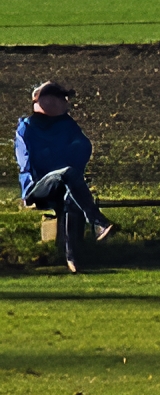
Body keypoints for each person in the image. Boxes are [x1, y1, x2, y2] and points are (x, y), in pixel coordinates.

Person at [16, 82, 111, 270]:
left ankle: (72, 259)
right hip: (37, 189)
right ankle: (97, 220)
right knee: (67, 173)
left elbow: (83, 146)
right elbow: (26, 163)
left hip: (66, 184)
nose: (66, 103)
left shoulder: (67, 124)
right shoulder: (26, 128)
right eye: (62, 98)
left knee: (71, 195)